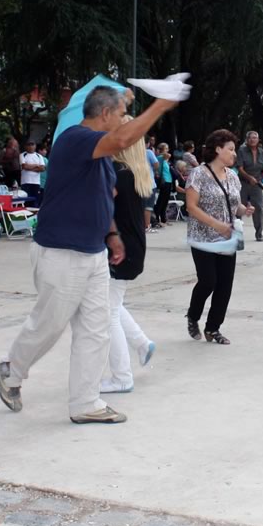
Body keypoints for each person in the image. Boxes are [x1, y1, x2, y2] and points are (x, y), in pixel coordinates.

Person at [0, 84, 181, 424]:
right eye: (121, 115)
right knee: (48, 326)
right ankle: (11, 371)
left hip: (93, 252)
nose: (123, 122)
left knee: (96, 329)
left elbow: (102, 196)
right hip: (61, 251)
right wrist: (160, 107)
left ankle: (85, 402)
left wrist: (112, 234)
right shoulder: (74, 139)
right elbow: (123, 140)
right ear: (106, 114)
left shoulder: (101, 157)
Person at [102, 122, 157, 392]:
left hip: (119, 249)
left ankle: (122, 377)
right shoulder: (135, 171)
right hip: (132, 248)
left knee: (107, 312)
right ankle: (142, 343)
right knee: (111, 303)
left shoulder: (116, 172)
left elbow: (100, 206)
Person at [184, 129, 252, 344]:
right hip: (202, 237)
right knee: (208, 281)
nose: (234, 154)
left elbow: (234, 205)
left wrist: (244, 210)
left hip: (227, 238)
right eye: (230, 150)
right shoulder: (198, 174)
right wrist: (216, 224)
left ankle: (213, 328)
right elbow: (191, 207)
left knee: (225, 284)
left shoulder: (232, 177)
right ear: (217, 149)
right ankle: (193, 316)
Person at [237, 131, 263, 242]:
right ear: (247, 140)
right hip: (243, 182)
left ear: (258, 140)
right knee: (238, 207)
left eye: (255, 138)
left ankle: (259, 233)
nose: (252, 140)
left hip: (256, 183)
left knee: (259, 208)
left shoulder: (262, 152)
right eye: (250, 138)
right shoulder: (242, 151)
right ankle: (237, 234)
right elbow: (240, 168)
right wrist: (249, 177)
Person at [153, 142, 174, 225]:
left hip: (169, 180)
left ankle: (163, 218)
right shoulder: (160, 157)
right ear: (162, 150)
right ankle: (157, 218)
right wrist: (163, 153)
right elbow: (168, 155)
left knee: (165, 200)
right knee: (161, 200)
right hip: (164, 181)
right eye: (166, 148)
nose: (168, 150)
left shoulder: (164, 159)